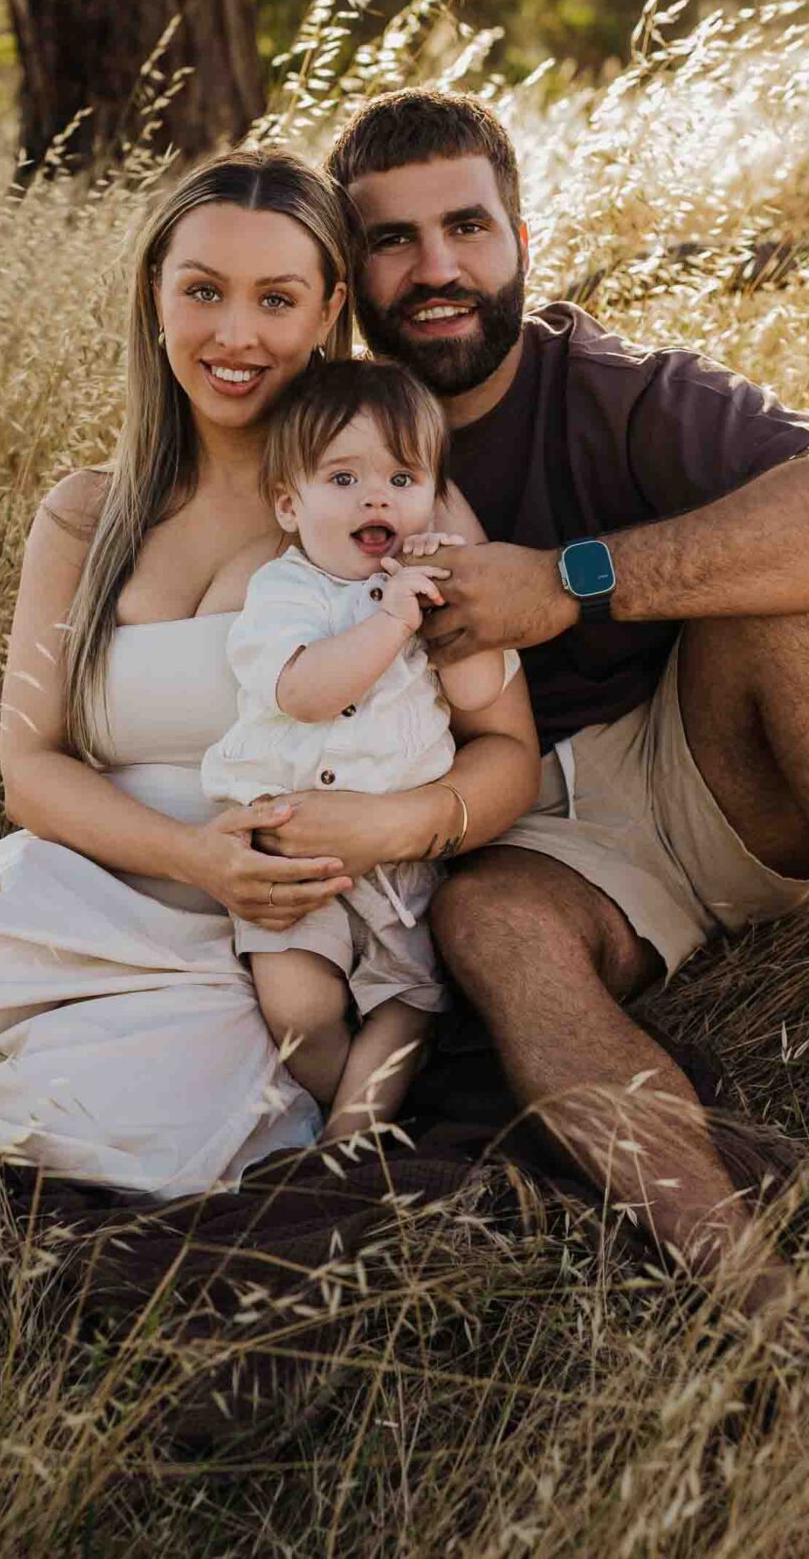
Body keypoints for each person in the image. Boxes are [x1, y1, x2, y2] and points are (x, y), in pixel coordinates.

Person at [282, 87, 809, 1280]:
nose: (437, 268)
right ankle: (749, 1286)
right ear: (348, 278)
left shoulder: (615, 391)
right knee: (485, 924)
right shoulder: (314, 438)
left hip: (700, 770)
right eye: (393, 241)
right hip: (511, 844)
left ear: (518, 239)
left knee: (797, 614)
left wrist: (572, 581)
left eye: (466, 227)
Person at [0, 148, 540, 1200]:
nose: (236, 334)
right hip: (77, 883)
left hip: (252, 945)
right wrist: (191, 854)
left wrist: (394, 829)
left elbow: (504, 749)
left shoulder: (386, 507)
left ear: (329, 307)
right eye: (202, 291)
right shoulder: (86, 515)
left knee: (101, 1128)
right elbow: (29, 771)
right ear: (155, 298)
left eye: (277, 298)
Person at [199, 360, 510, 1141]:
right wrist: (391, 624)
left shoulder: (425, 583)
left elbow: (476, 694)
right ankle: (360, 1115)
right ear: (289, 504)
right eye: (343, 478)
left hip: (401, 858)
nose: (377, 498)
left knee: (408, 999)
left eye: (403, 478)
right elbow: (304, 690)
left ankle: (351, 1142)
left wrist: (459, 604)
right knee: (298, 1006)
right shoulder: (285, 590)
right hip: (289, 853)